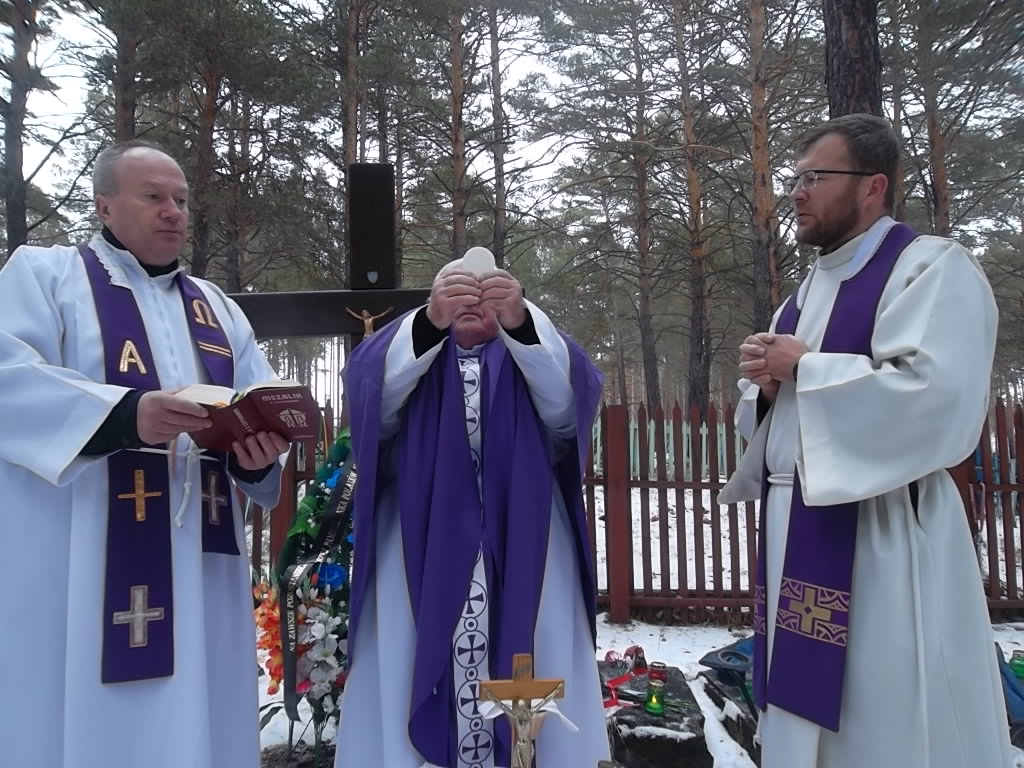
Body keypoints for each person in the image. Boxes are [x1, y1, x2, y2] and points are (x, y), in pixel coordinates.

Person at [720, 113, 1014, 768]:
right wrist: (764, 392)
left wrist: (806, 369)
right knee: (801, 713)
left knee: (884, 713)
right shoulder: (800, 297)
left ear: (873, 185)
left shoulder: (931, 268)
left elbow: (937, 401)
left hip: (883, 537)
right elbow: (772, 431)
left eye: (814, 178)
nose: (796, 194)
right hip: (795, 527)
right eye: (795, 179)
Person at [0, 139, 291, 768]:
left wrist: (256, 455)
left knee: (203, 707)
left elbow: (257, 400)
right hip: (84, 555)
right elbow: (7, 380)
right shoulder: (45, 276)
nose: (173, 211)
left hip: (201, 563)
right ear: (104, 205)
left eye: (181, 200)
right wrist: (126, 415)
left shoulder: (217, 309)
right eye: (153, 196)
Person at [335, 255, 610, 767]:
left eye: (487, 295)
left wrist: (522, 324)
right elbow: (373, 405)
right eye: (459, 292)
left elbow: (567, 413)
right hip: (419, 540)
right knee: (406, 659)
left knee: (536, 654)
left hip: (528, 539)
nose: (473, 303)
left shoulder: (529, 349)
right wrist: (427, 323)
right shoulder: (414, 344)